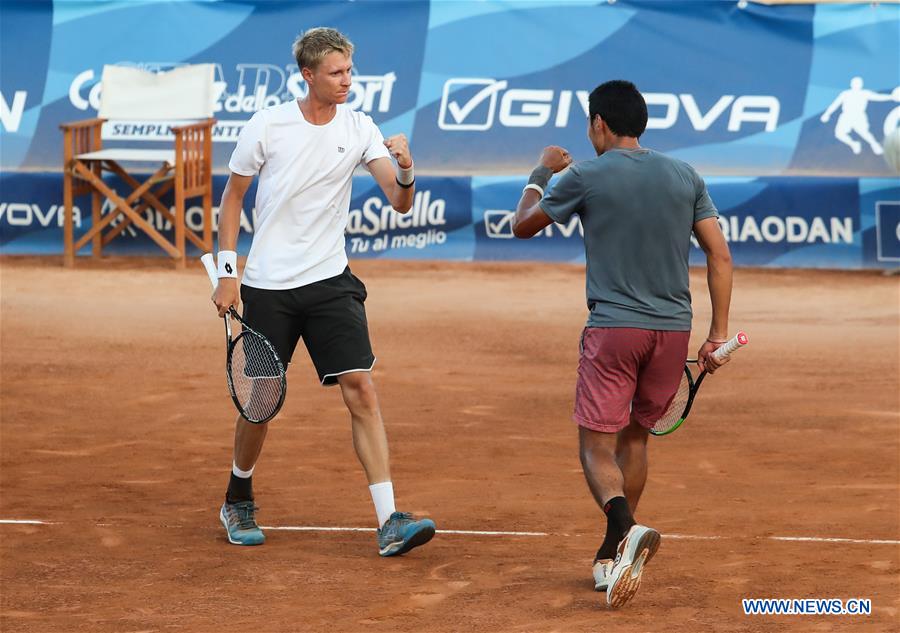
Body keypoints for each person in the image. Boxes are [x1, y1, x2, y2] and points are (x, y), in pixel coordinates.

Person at [211, 27, 435, 557]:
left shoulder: (359, 128)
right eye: (336, 73)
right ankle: (237, 496)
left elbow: (399, 201)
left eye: (349, 71)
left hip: (331, 281)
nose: (346, 81)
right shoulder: (268, 125)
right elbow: (233, 197)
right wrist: (227, 273)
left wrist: (406, 167)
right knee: (261, 402)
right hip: (269, 285)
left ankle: (389, 520)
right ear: (307, 75)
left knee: (361, 388)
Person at [511, 80, 733, 607]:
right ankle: (613, 553)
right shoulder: (686, 175)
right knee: (635, 440)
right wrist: (717, 334)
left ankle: (625, 527)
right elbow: (719, 256)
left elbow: (522, 226)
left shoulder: (585, 174)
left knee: (595, 445)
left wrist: (542, 171)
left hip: (614, 330)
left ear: (599, 124)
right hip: (673, 332)